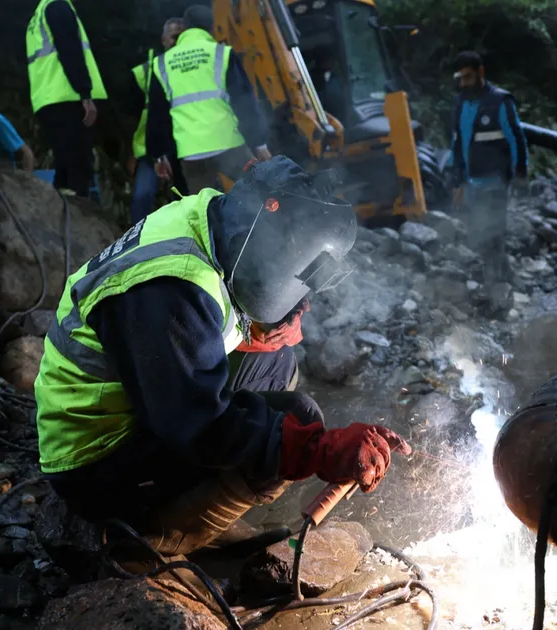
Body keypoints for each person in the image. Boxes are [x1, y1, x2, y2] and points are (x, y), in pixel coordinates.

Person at [34, 156, 411, 559]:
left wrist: (282, 316)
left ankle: (199, 505)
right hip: (93, 455)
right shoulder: (171, 286)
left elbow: (220, 305)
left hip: (139, 394)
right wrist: (318, 450)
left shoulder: (222, 217)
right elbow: (201, 424)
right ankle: (153, 539)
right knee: (296, 419)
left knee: (276, 365)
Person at [147, 5, 272, 194]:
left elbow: (157, 115)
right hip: (228, 144)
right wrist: (259, 143)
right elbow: (244, 101)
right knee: (261, 193)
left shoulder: (161, 64)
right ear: (212, 28)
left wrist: (158, 155)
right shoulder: (222, 54)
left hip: (191, 153)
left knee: (205, 210)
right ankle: (274, 223)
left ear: (186, 28)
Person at [448, 51, 528, 292]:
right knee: (478, 229)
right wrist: (457, 182)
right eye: (460, 78)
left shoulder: (500, 101)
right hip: (471, 181)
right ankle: (498, 277)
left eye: (468, 77)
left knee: (494, 229)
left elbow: (516, 139)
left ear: (481, 73)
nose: (464, 83)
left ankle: (498, 283)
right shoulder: (460, 102)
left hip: (495, 178)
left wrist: (520, 174)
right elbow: (457, 144)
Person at [26, 0, 107, 197]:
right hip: (67, 96)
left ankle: (62, 218)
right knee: (77, 168)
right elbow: (69, 49)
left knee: (65, 166)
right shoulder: (58, 6)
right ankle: (75, 220)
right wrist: (85, 93)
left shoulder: (38, 15)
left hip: (48, 99)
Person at [127, 18, 186, 224]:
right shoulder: (147, 71)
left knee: (187, 198)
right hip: (151, 149)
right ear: (163, 40)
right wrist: (131, 153)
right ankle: (136, 244)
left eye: (182, 37)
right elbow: (134, 115)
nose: (177, 42)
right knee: (142, 197)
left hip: (186, 146)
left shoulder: (191, 68)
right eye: (174, 37)